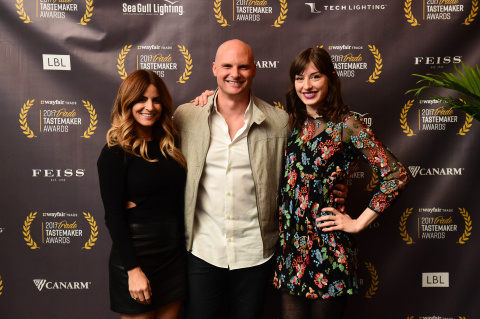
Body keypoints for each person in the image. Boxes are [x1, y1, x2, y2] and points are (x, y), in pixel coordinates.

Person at [272, 47, 410, 319]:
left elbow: (397, 175)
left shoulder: (348, 124)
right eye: (300, 78)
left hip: (328, 250)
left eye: (315, 77)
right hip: (290, 251)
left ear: (331, 78)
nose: (307, 85)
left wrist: (357, 223)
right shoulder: (292, 124)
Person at [97, 69, 187, 319]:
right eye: (141, 99)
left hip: (173, 255)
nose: (150, 106)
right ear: (127, 103)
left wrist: (208, 97)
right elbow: (113, 216)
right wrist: (133, 270)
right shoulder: (115, 152)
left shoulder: (171, 144)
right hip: (138, 255)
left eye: (156, 100)